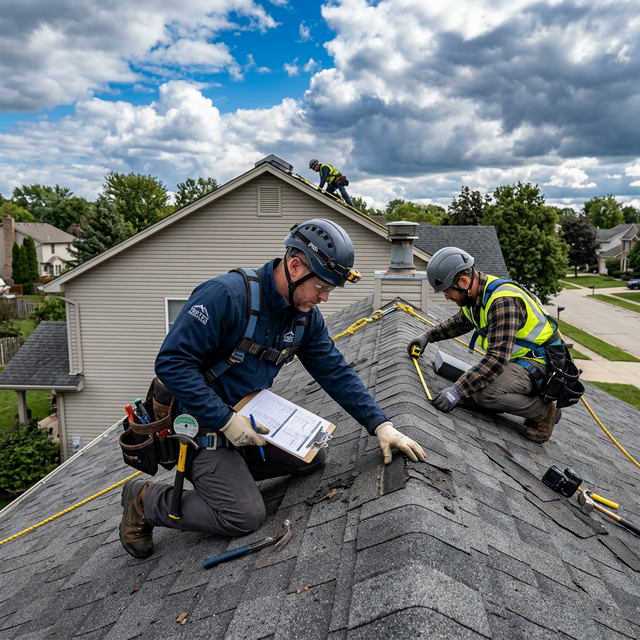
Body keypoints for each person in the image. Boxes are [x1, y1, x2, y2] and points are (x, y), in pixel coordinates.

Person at [120, 218, 426, 559]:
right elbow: (171, 363)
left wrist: (380, 424)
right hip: (202, 427)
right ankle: (145, 500)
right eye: (322, 286)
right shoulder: (226, 297)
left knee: (313, 453)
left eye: (331, 290)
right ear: (295, 266)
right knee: (243, 515)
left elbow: (335, 371)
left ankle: (228, 478)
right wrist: (224, 420)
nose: (324, 297)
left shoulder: (304, 317)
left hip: (248, 419)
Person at [407, 246, 564, 445]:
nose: (447, 297)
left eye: (448, 291)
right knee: (474, 383)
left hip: (540, 363)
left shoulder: (503, 302)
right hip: (517, 360)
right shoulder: (477, 295)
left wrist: (457, 391)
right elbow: (460, 322)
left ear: (463, 282)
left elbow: (497, 359)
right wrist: (427, 337)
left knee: (487, 394)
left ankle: (544, 411)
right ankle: (492, 396)